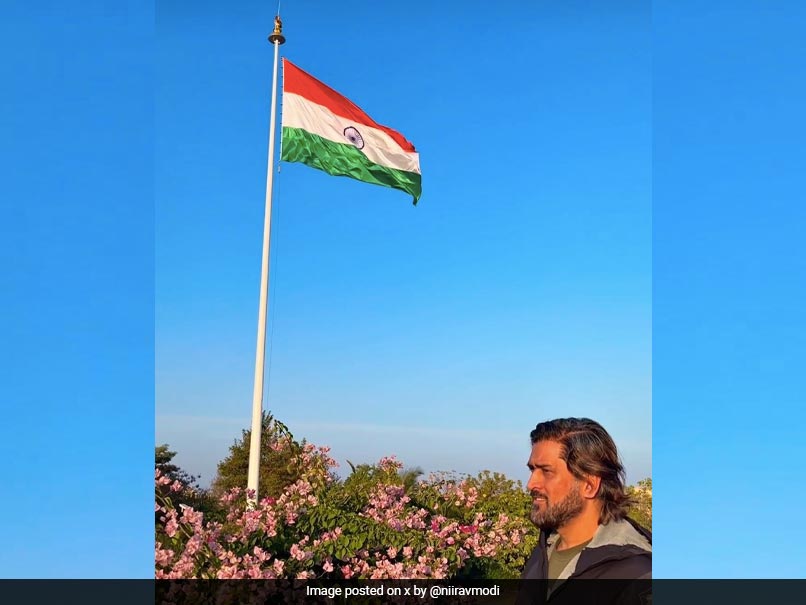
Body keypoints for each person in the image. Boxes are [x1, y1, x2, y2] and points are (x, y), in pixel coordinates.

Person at [517, 418, 651, 605]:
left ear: (589, 485)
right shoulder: (542, 553)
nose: (531, 484)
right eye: (532, 470)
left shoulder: (636, 576)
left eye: (546, 471)